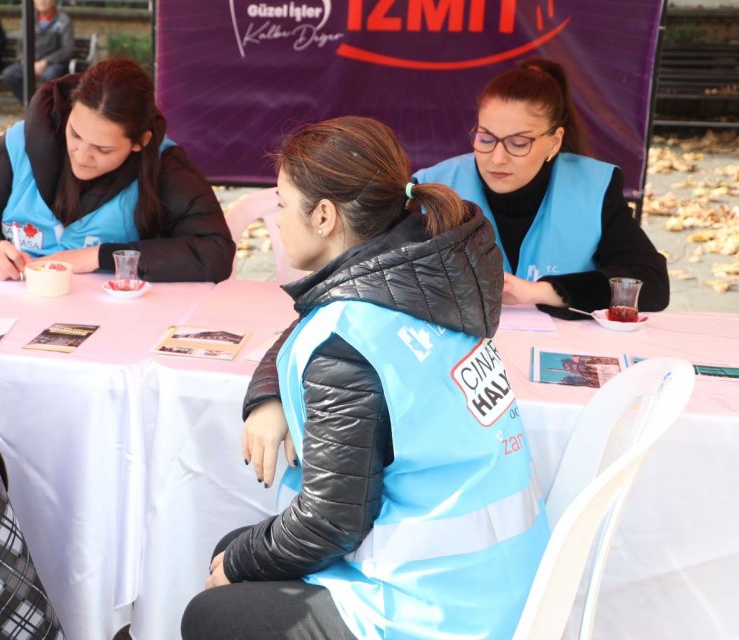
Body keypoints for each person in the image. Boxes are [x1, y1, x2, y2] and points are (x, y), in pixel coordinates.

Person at [182, 117, 548, 639]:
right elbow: (313, 320)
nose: (278, 221)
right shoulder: (432, 274)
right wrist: (270, 395)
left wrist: (239, 562)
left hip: (436, 611)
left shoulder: (347, 344)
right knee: (238, 558)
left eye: (283, 204)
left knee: (210, 607)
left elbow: (331, 523)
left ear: (325, 217)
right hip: (502, 582)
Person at [414, 58, 669, 315]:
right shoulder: (433, 187)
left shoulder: (595, 187)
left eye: (518, 143)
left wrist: (542, 291)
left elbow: (651, 284)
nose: (498, 158)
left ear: (554, 142)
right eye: (486, 138)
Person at [0, 58, 235, 283]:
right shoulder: (18, 145)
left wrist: (100, 256)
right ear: (70, 110)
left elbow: (215, 252)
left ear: (140, 143)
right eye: (75, 134)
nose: (82, 156)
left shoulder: (164, 166)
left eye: (103, 149)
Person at [2, 0, 75, 104]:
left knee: (50, 76)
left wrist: (45, 62)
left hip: (53, 64)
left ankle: (48, 106)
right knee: (10, 74)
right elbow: (20, 45)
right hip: (30, 62)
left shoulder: (64, 20)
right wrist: (24, 60)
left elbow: (67, 50)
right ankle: (31, 105)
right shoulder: (27, 18)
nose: (42, 1)